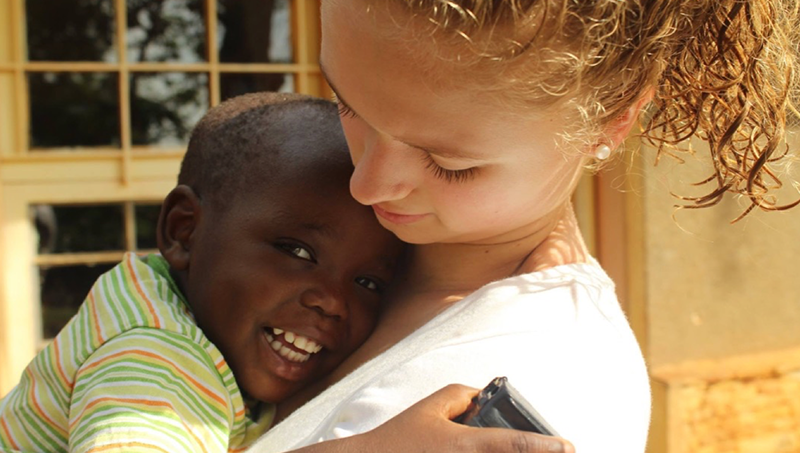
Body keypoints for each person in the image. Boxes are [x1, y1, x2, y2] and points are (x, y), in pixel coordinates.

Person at [247, 1, 800, 452]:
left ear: (614, 119)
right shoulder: (307, 214)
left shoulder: (552, 382)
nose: (365, 185)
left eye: (449, 164)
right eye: (347, 104)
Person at [0, 92, 404, 453]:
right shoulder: (158, 362)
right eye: (297, 251)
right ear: (184, 230)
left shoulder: (168, 304)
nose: (332, 300)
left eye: (367, 282)